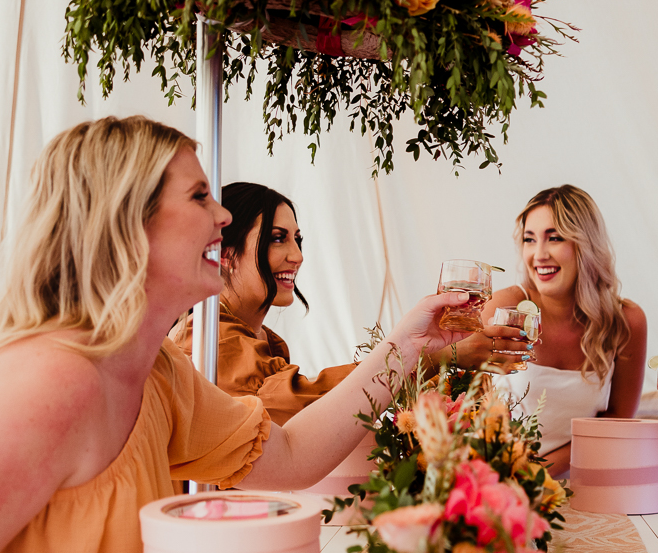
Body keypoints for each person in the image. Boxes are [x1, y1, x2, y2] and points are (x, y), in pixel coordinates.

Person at [0, 117, 472, 553]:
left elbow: (294, 456)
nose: (222, 217)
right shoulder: (50, 381)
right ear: (124, 220)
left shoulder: (158, 373)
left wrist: (407, 349)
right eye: (198, 198)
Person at [176, 182, 526, 424]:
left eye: (298, 240)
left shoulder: (259, 340)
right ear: (223, 251)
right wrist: (433, 356)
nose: (297, 256)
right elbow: (299, 406)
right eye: (277, 239)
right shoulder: (210, 339)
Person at [482, 185, 647, 477]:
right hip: (496, 477)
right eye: (529, 240)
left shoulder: (626, 321)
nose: (539, 254)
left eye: (554, 238)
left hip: (579, 479)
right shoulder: (506, 307)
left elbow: (617, 422)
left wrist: (535, 476)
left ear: (585, 244)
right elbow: (464, 399)